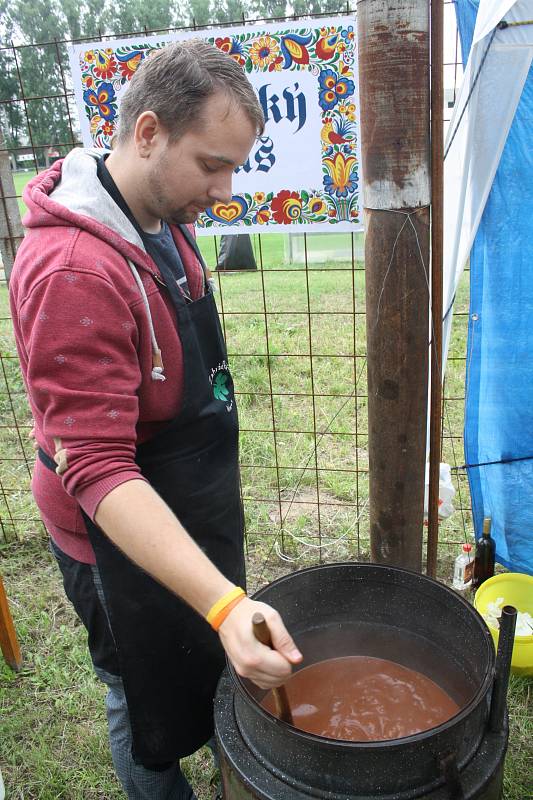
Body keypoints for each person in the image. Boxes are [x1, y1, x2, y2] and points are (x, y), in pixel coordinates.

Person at [9, 40, 302, 799]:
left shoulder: (161, 217)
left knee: (197, 662)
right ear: (148, 134)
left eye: (235, 166)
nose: (227, 187)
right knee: (141, 695)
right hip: (112, 533)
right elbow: (98, 467)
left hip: (183, 502)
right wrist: (226, 602)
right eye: (212, 165)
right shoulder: (75, 269)